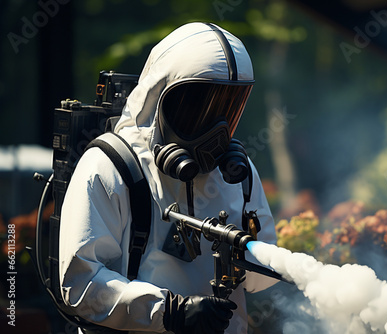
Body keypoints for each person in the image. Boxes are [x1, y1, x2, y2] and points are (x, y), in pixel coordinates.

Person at [59, 22, 278, 334]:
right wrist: (168, 313)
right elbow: (81, 285)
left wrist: (243, 259)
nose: (216, 131)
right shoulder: (110, 166)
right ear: (159, 97)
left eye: (227, 108)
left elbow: (262, 277)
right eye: (200, 106)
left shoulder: (238, 174)